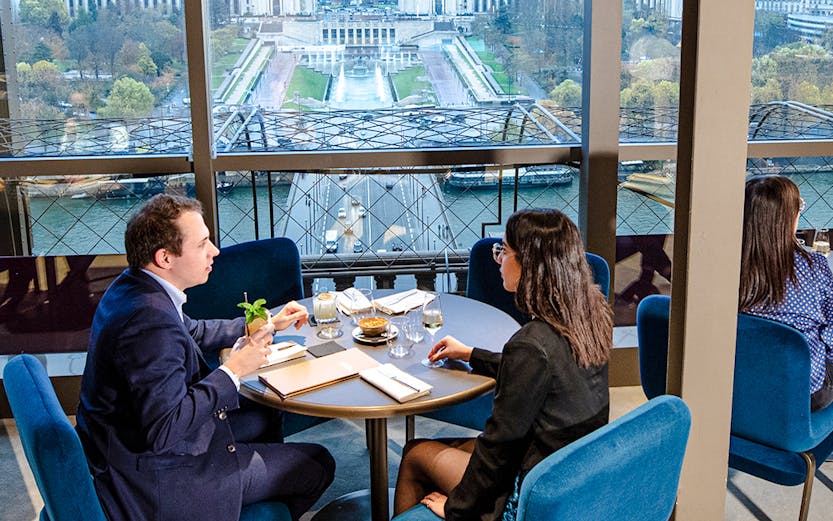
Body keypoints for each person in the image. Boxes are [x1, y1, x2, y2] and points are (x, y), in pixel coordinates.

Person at [76, 194, 335, 521]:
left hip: (130, 451)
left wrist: (263, 322)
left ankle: (254, 486)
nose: (214, 251)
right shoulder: (148, 323)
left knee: (267, 415)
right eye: (202, 244)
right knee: (318, 463)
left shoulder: (133, 286)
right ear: (165, 257)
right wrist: (233, 370)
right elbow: (163, 429)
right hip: (158, 479)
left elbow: (190, 330)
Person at [393, 209, 612, 521]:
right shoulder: (589, 314)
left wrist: (457, 508)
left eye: (504, 251)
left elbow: (498, 448)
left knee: (415, 454)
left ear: (529, 265)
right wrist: (471, 354)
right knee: (451, 446)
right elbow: (540, 374)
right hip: (569, 472)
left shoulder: (531, 344)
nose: (498, 259)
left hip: (529, 489)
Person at [739, 175, 833, 411]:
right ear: (787, 218)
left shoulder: (725, 268)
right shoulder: (814, 267)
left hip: (741, 383)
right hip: (802, 393)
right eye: (798, 206)